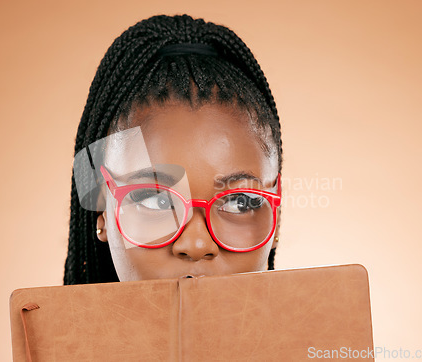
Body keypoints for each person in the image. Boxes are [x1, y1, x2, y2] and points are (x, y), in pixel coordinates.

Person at [64, 14, 283, 285]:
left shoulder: (338, 326)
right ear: (102, 211)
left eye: (240, 201)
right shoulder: (39, 328)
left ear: (277, 217)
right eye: (156, 200)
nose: (196, 244)